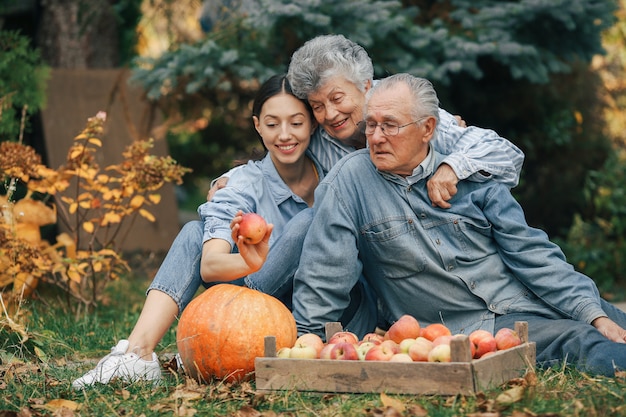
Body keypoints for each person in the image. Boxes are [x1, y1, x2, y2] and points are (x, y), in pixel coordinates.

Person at [291, 73, 626, 377]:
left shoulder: (470, 175)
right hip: (470, 330)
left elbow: (534, 254)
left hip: (533, 299)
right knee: (582, 341)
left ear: (427, 129)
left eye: (390, 125)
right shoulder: (349, 183)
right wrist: (303, 348)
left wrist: (593, 313)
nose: (376, 137)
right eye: (371, 125)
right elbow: (324, 274)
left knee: (608, 322)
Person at [71, 74, 356, 388]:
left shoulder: (336, 168)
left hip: (321, 308)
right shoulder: (241, 184)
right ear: (257, 125)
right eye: (272, 124)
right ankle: (138, 353)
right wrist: (254, 260)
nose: (285, 135)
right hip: (255, 308)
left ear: (313, 125)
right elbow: (210, 265)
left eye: (296, 123)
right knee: (196, 233)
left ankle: (210, 341)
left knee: (313, 218)